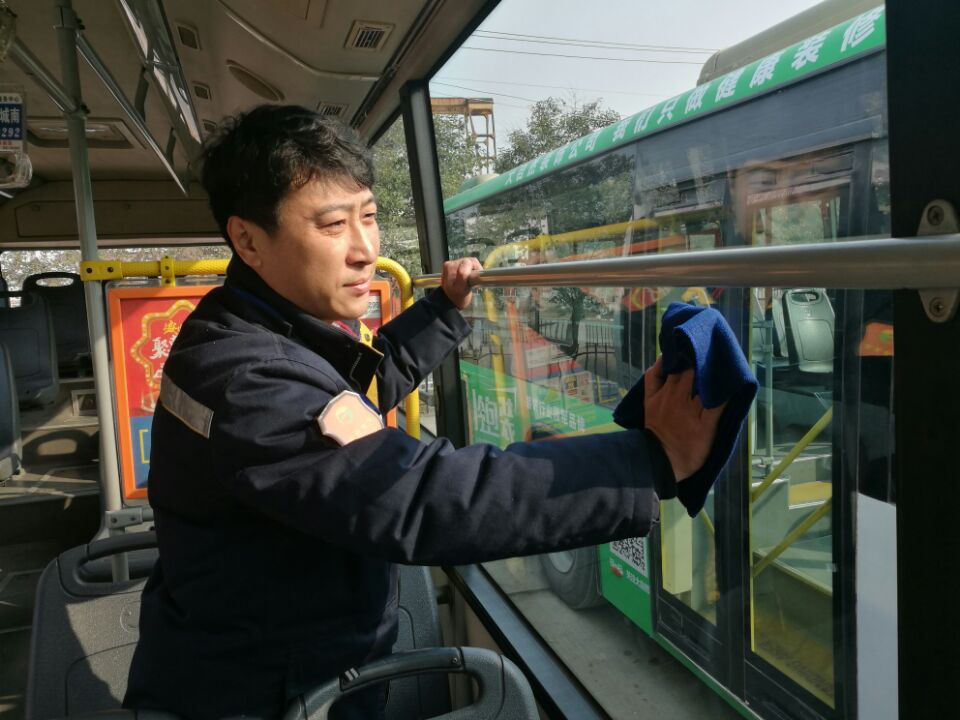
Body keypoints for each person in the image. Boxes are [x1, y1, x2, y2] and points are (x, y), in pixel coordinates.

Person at [123, 104, 723, 720]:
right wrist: (646, 461)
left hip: (282, 657)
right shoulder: (248, 378)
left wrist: (443, 310)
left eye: (369, 217)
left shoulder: (258, 329)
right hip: (260, 693)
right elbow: (417, 497)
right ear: (248, 239)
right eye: (333, 225)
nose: (365, 250)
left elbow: (351, 395)